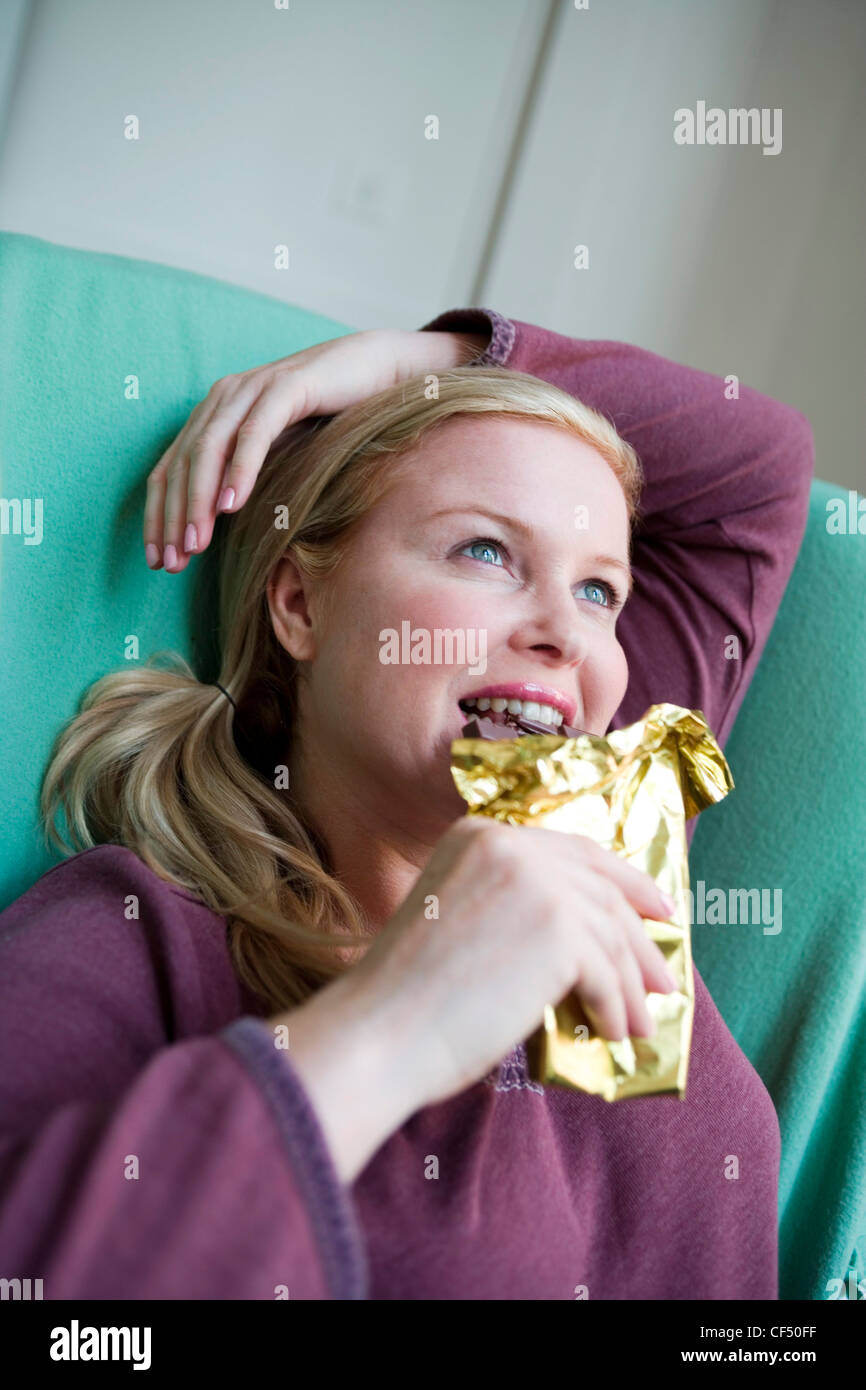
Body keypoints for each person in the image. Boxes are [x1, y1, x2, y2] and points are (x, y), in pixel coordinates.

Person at [0, 308, 814, 1300]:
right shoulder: (139, 936)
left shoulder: (616, 817)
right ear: (300, 604)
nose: (565, 632)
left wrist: (413, 359)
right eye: (483, 552)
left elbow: (757, 463)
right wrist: (397, 1026)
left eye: (601, 590)